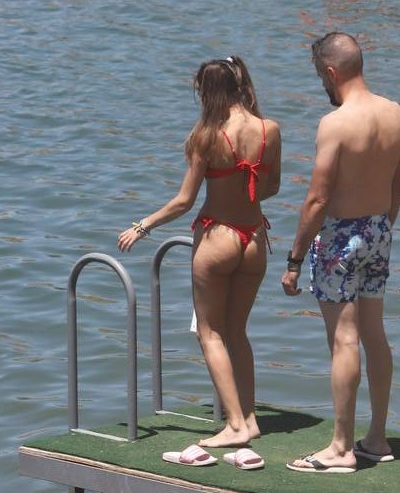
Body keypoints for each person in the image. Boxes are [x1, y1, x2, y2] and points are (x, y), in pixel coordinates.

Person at [118, 56, 281, 454]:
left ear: (206, 91)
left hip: (217, 240)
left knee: (210, 333)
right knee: (238, 331)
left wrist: (143, 225)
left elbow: (184, 201)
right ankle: (252, 419)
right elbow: (271, 188)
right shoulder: (269, 129)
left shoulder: (205, 136)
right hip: (255, 239)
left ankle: (236, 424)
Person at [281, 33, 400, 473]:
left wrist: (295, 258)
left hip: (340, 238)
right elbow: (397, 184)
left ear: (331, 73)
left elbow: (317, 199)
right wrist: (381, 227)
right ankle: (376, 438)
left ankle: (340, 448)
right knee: (375, 334)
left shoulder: (334, 124)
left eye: (321, 76)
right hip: (379, 228)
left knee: (344, 339)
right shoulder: (395, 113)